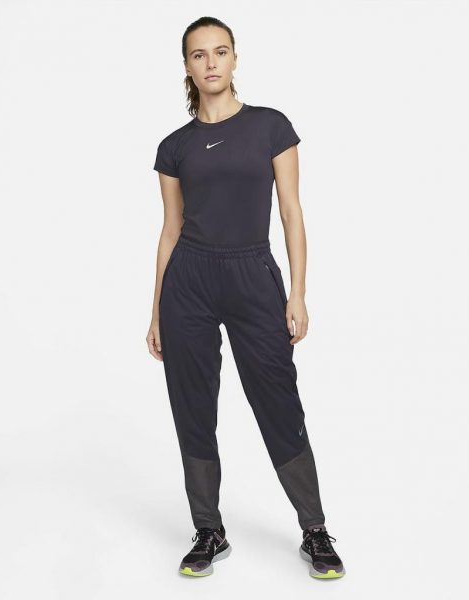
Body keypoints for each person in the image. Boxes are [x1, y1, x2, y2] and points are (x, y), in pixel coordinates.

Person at [146, 16, 345, 580]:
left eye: (220, 52)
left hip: (253, 276)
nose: (211, 62)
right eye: (199, 54)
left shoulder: (270, 127)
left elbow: (291, 213)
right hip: (189, 281)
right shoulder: (174, 147)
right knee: (192, 405)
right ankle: (208, 529)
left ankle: (314, 529)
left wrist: (297, 292)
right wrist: (156, 310)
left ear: (235, 59)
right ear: (187, 67)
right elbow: (170, 229)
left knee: (277, 398)